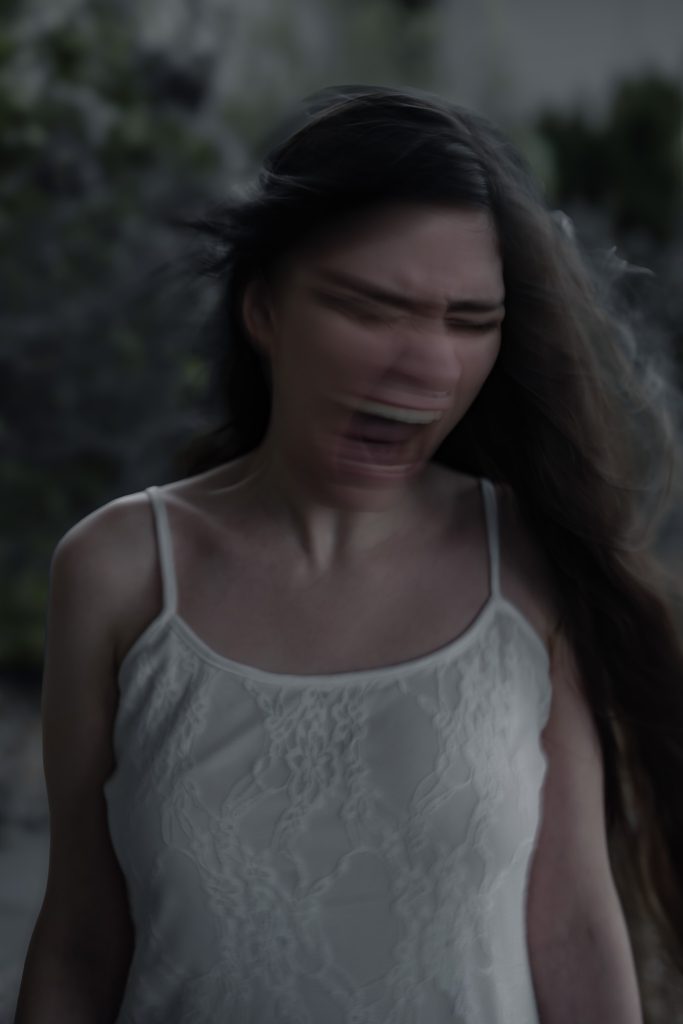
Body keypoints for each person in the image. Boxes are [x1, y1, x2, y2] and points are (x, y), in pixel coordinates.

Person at [15, 84, 683, 1024]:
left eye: (468, 321)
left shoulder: (528, 561)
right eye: (371, 308)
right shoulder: (119, 570)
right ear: (263, 311)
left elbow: (572, 925)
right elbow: (81, 942)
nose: (426, 368)